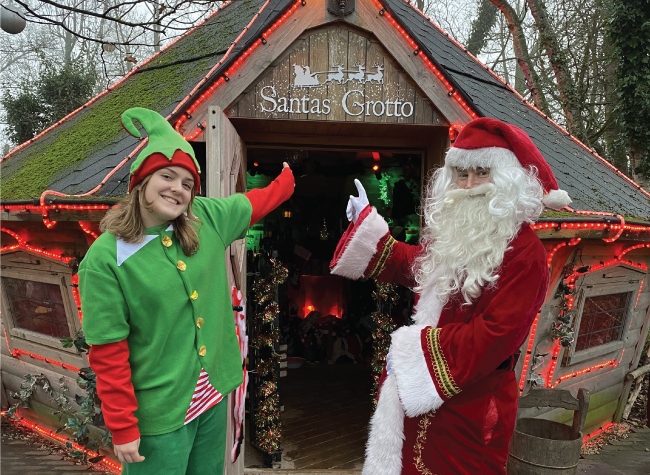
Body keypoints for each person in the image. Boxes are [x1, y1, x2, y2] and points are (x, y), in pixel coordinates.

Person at [330, 118, 571, 475]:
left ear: (507, 181)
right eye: (462, 174)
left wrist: (414, 351)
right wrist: (369, 228)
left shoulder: (526, 254)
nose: (470, 185)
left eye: (481, 173)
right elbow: (419, 265)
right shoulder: (456, 236)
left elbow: (496, 335)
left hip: (472, 405)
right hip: (420, 395)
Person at [79, 107, 294, 474]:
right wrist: (123, 425)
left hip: (212, 396)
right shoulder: (104, 259)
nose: (178, 189)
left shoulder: (204, 219)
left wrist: (288, 178)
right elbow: (108, 349)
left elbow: (256, 203)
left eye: (187, 183)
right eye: (167, 176)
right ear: (141, 181)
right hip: (159, 413)